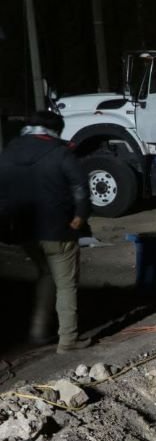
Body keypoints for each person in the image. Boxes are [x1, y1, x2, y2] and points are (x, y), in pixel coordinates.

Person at [0, 111, 91, 353]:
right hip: (58, 231)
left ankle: (38, 332)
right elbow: (81, 187)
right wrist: (79, 218)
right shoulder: (60, 153)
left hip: (24, 230)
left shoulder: (9, 152)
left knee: (46, 274)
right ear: (55, 130)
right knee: (66, 284)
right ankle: (68, 339)